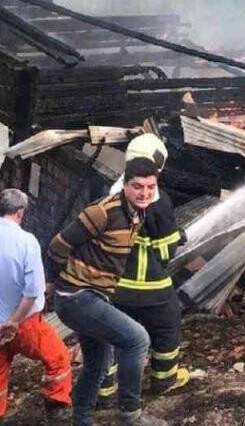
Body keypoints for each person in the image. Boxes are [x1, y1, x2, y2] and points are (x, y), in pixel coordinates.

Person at [47, 158, 169, 426]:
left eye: (150, 187)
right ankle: (130, 414)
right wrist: (53, 281)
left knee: (98, 363)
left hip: (93, 296)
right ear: (125, 185)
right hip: (77, 297)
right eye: (137, 186)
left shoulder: (138, 213)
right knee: (137, 339)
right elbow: (58, 245)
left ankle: (82, 420)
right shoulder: (103, 211)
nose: (144, 193)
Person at [0, 187, 72, 425]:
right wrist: (14, 321)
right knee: (58, 358)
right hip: (24, 325)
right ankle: (57, 408)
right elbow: (32, 292)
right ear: (20, 212)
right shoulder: (26, 241)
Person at [97, 135, 189, 405]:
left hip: (114, 287)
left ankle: (104, 393)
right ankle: (164, 380)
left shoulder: (111, 195)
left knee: (111, 338)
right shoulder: (159, 202)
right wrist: (177, 236)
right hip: (151, 287)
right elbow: (164, 252)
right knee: (167, 327)